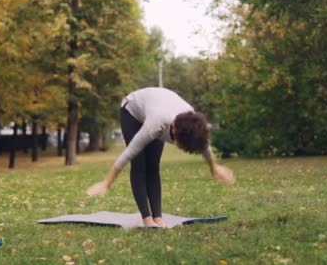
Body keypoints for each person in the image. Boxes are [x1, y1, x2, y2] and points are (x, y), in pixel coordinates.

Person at [87, 87, 235, 227]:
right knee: (139, 163)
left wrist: (214, 168)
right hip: (132, 109)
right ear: (175, 131)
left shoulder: (192, 123)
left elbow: (204, 146)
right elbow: (128, 154)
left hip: (159, 104)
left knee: (153, 165)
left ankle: (158, 217)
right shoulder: (156, 123)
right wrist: (107, 183)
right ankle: (147, 219)